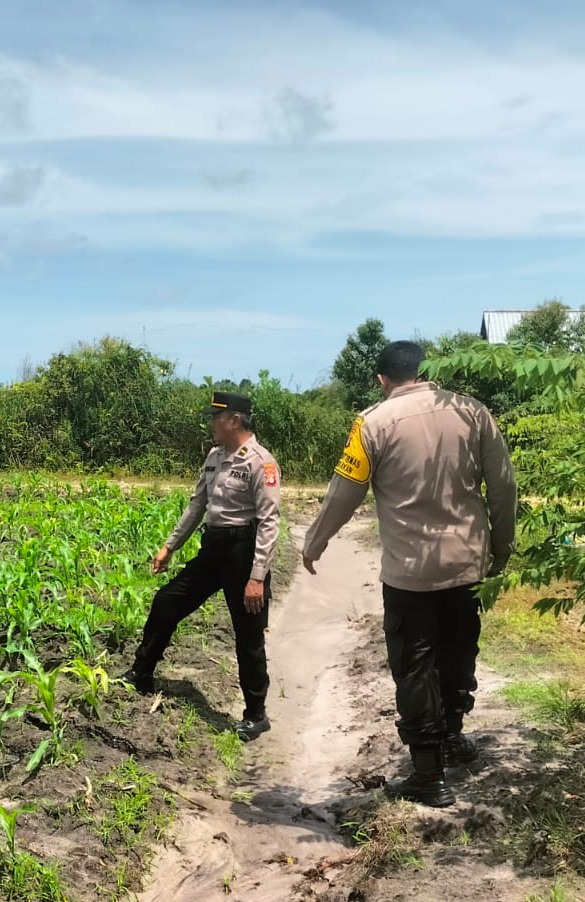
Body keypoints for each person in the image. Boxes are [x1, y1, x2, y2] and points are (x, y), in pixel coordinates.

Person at [299, 341, 517, 806]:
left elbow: (345, 490)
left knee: (415, 666)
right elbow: (502, 484)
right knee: (459, 652)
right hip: (466, 565)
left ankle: (428, 774)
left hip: (410, 575)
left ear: (382, 379)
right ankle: (453, 738)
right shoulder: (473, 412)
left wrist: (315, 540)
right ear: (426, 371)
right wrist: (502, 547)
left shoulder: (372, 423)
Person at [122, 391, 281, 742]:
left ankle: (256, 714)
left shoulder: (261, 462)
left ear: (234, 421)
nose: (211, 423)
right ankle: (142, 672)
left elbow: (269, 522)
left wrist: (257, 577)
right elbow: (196, 507)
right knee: (167, 602)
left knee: (248, 635)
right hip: (213, 549)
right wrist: (169, 547)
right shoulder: (214, 457)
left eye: (216, 417)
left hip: (244, 553)